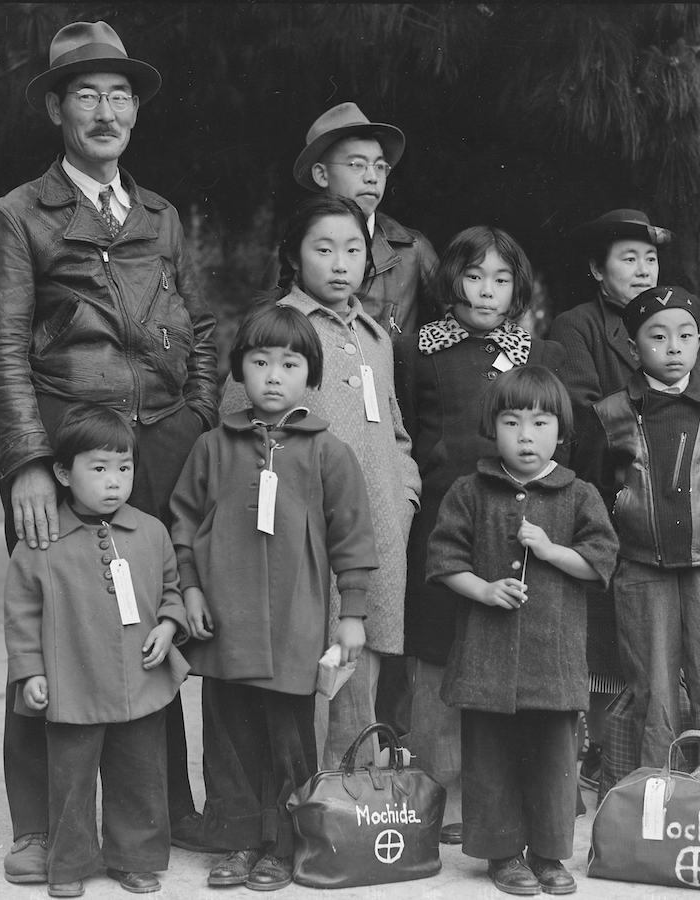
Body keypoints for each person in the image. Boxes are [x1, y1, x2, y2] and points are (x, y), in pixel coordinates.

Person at [0, 21, 219, 884]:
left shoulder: (162, 217)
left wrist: (197, 418)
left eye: (120, 95)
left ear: (136, 112)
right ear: (56, 109)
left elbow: (200, 329)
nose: (106, 111)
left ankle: (164, 810)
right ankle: (41, 826)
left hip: (161, 445)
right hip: (67, 450)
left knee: (150, 623)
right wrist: (27, 463)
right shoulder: (16, 215)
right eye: (87, 94)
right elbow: (2, 348)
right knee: (51, 632)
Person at [171, 304, 379, 891]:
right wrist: (189, 589)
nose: (273, 376)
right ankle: (238, 842)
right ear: (239, 369)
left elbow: (353, 539)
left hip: (295, 625)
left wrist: (353, 615)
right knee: (228, 739)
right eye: (260, 362)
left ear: (310, 375)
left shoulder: (329, 452)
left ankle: (283, 846)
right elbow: (183, 524)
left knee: (290, 741)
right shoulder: (213, 447)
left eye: (289, 364)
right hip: (225, 624)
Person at [221, 196, 420, 771]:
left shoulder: (375, 337)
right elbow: (237, 425)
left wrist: (403, 496)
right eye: (324, 249)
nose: (340, 263)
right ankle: (301, 802)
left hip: (376, 536)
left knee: (363, 667)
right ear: (293, 255)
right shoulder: (278, 329)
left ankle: (350, 802)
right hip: (302, 540)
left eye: (353, 250)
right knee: (307, 676)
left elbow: (397, 431)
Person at [394, 226, 564, 843]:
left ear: (517, 288)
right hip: (442, 517)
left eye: (501, 279)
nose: (487, 291)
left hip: (513, 520)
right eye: (473, 276)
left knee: (502, 648)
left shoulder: (535, 354)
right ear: (451, 280)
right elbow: (403, 428)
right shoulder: (416, 349)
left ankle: (495, 801)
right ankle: (432, 795)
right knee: (436, 649)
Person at [426, 366, 618, 896]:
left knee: (553, 759)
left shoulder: (579, 494)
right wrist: (484, 590)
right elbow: (444, 560)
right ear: (492, 428)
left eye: (540, 423)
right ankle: (504, 854)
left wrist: (552, 551)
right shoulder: (470, 491)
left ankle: (549, 855)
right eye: (512, 423)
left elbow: (601, 563)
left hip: (553, 659)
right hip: (485, 658)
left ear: (562, 430)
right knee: (491, 757)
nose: (526, 436)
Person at [4, 403, 190, 897]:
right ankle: (69, 863)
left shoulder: (151, 532)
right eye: (99, 468)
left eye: (124, 468)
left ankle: (134, 858)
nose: (114, 482)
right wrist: (31, 672)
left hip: (139, 680)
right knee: (71, 780)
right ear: (63, 473)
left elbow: (170, 589)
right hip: (74, 686)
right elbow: (21, 617)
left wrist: (169, 625)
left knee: (140, 775)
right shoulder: (40, 544)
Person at [578, 286, 700, 769]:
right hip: (640, 569)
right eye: (657, 336)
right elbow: (591, 493)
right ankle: (655, 791)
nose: (673, 347)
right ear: (634, 348)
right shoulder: (609, 414)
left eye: (685, 335)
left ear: (699, 343)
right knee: (652, 688)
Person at [546, 208, 671, 788]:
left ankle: (649, 756)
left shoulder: (672, 321)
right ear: (598, 270)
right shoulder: (578, 327)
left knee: (655, 635)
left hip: (669, 499)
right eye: (629, 259)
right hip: (606, 494)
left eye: (650, 258)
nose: (643, 270)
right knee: (604, 638)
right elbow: (584, 415)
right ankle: (600, 753)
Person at [277, 101, 438, 335]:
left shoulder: (413, 250)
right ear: (322, 174)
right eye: (357, 164)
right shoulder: (294, 249)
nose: (372, 177)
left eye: (380, 166)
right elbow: (268, 332)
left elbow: (460, 323)